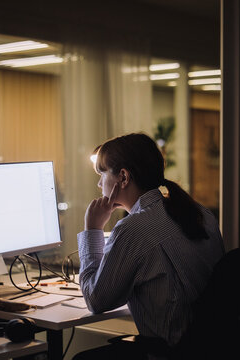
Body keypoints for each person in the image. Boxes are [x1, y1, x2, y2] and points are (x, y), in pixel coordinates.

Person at [73, 133, 225, 359]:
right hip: (211, 348)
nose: (98, 183)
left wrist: (93, 229)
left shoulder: (133, 229)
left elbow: (96, 301)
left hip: (170, 352)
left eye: (101, 173)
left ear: (123, 177)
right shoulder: (199, 212)